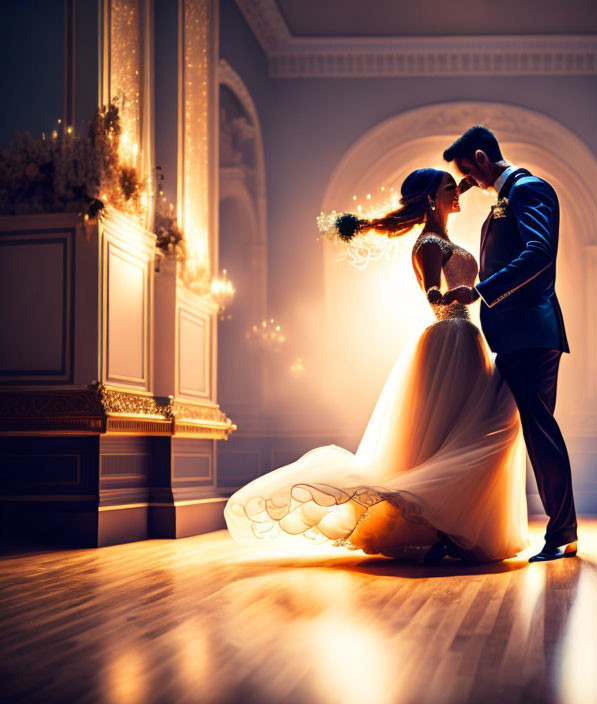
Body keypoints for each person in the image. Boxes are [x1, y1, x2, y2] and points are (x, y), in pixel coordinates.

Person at [224, 168, 529, 563]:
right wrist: (453, 294)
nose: (458, 193)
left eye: (458, 187)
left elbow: (455, 197)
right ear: (431, 199)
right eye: (449, 189)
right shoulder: (429, 243)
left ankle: (451, 527)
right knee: (452, 434)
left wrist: (465, 182)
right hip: (450, 337)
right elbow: (434, 295)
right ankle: (441, 526)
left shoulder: (443, 234)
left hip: (467, 340)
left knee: (464, 431)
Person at [444, 126, 578, 562]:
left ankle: (563, 533)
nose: (472, 182)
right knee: (507, 430)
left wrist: (482, 291)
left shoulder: (528, 188)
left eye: (471, 171)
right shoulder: (505, 198)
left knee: (540, 433)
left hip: (530, 333)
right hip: (516, 335)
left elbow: (540, 253)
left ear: (482, 157)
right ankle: (466, 530)